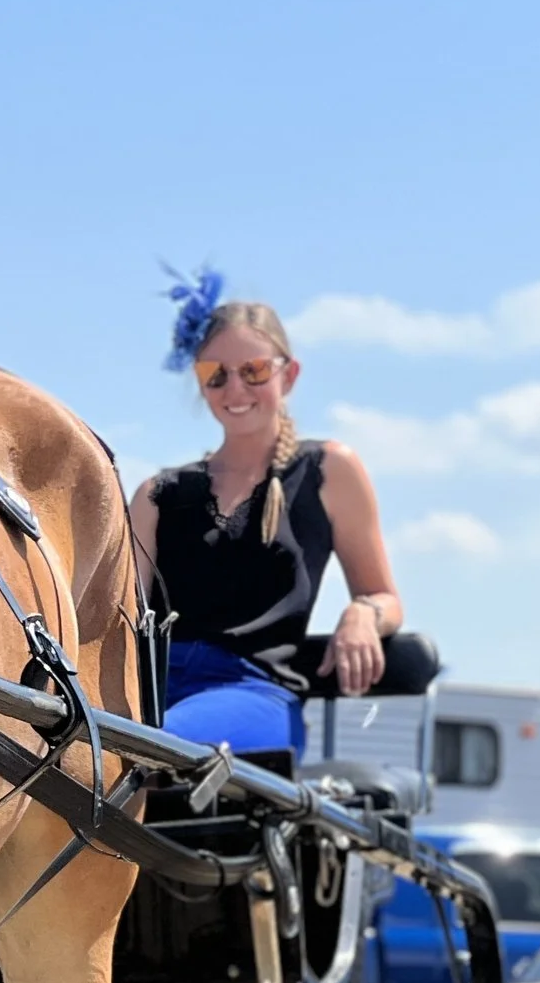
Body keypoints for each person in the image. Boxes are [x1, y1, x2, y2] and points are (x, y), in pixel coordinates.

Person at [129, 279, 404, 758]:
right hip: (148, 691)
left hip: (255, 692)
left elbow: (385, 596)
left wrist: (363, 613)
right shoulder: (157, 496)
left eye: (253, 370)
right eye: (217, 373)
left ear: (289, 375)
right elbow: (119, 619)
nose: (235, 388)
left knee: (141, 748)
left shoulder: (329, 470)